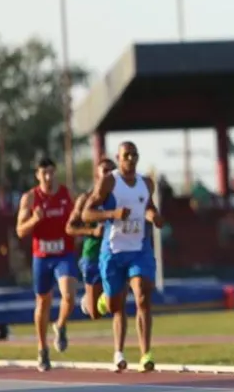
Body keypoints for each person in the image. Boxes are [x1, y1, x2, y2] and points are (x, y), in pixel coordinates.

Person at [81, 141, 163, 373]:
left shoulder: (146, 183)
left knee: (142, 296)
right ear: (118, 158)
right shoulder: (109, 182)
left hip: (139, 249)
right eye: (126, 155)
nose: (130, 159)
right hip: (113, 251)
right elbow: (87, 213)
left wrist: (154, 216)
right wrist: (112, 213)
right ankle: (106, 303)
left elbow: (148, 206)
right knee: (115, 305)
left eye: (134, 155)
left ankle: (146, 354)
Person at [15, 157, 79, 372]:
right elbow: (20, 230)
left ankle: (60, 325)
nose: (48, 177)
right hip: (42, 256)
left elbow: (78, 218)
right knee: (43, 302)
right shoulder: (30, 198)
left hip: (64, 253)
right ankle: (42, 349)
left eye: (51, 172)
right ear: (38, 175)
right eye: (44, 173)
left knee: (69, 295)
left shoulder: (67, 194)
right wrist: (35, 219)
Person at [65, 157, 117, 320]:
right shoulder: (86, 199)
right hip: (93, 254)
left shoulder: (121, 198)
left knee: (117, 300)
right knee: (95, 314)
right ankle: (90, 300)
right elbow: (69, 228)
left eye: (112, 171)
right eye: (105, 171)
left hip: (115, 253)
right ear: (97, 175)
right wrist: (92, 231)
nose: (109, 174)